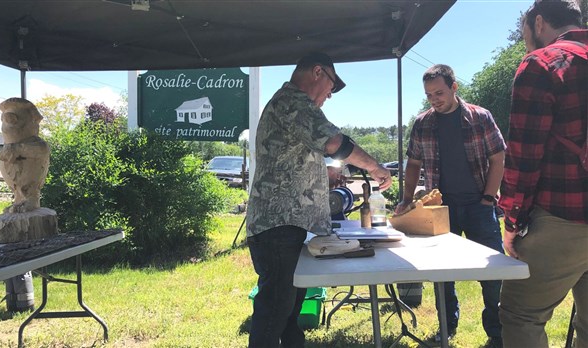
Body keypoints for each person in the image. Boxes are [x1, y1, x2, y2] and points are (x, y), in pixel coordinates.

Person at [245, 52, 392, 348]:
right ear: (317, 72)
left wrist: (320, 172)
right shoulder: (294, 102)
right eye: (331, 85)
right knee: (274, 310)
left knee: (288, 310)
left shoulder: (288, 105)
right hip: (278, 227)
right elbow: (335, 142)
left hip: (284, 226)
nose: (330, 95)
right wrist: (374, 166)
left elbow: (290, 157)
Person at [395, 64, 507, 347]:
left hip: (479, 207)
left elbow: (498, 158)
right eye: (429, 94)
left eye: (439, 92)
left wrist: (487, 198)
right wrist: (407, 200)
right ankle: (447, 328)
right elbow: (414, 165)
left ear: (455, 88)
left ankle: (498, 334)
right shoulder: (423, 123)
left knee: (493, 272)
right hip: (440, 211)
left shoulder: (481, 117)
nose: (434, 99)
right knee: (442, 274)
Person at [498, 1, 587, 347]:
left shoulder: (541, 64)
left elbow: (523, 155)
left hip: (562, 218)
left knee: (521, 315)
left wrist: (511, 222)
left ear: (538, 23)